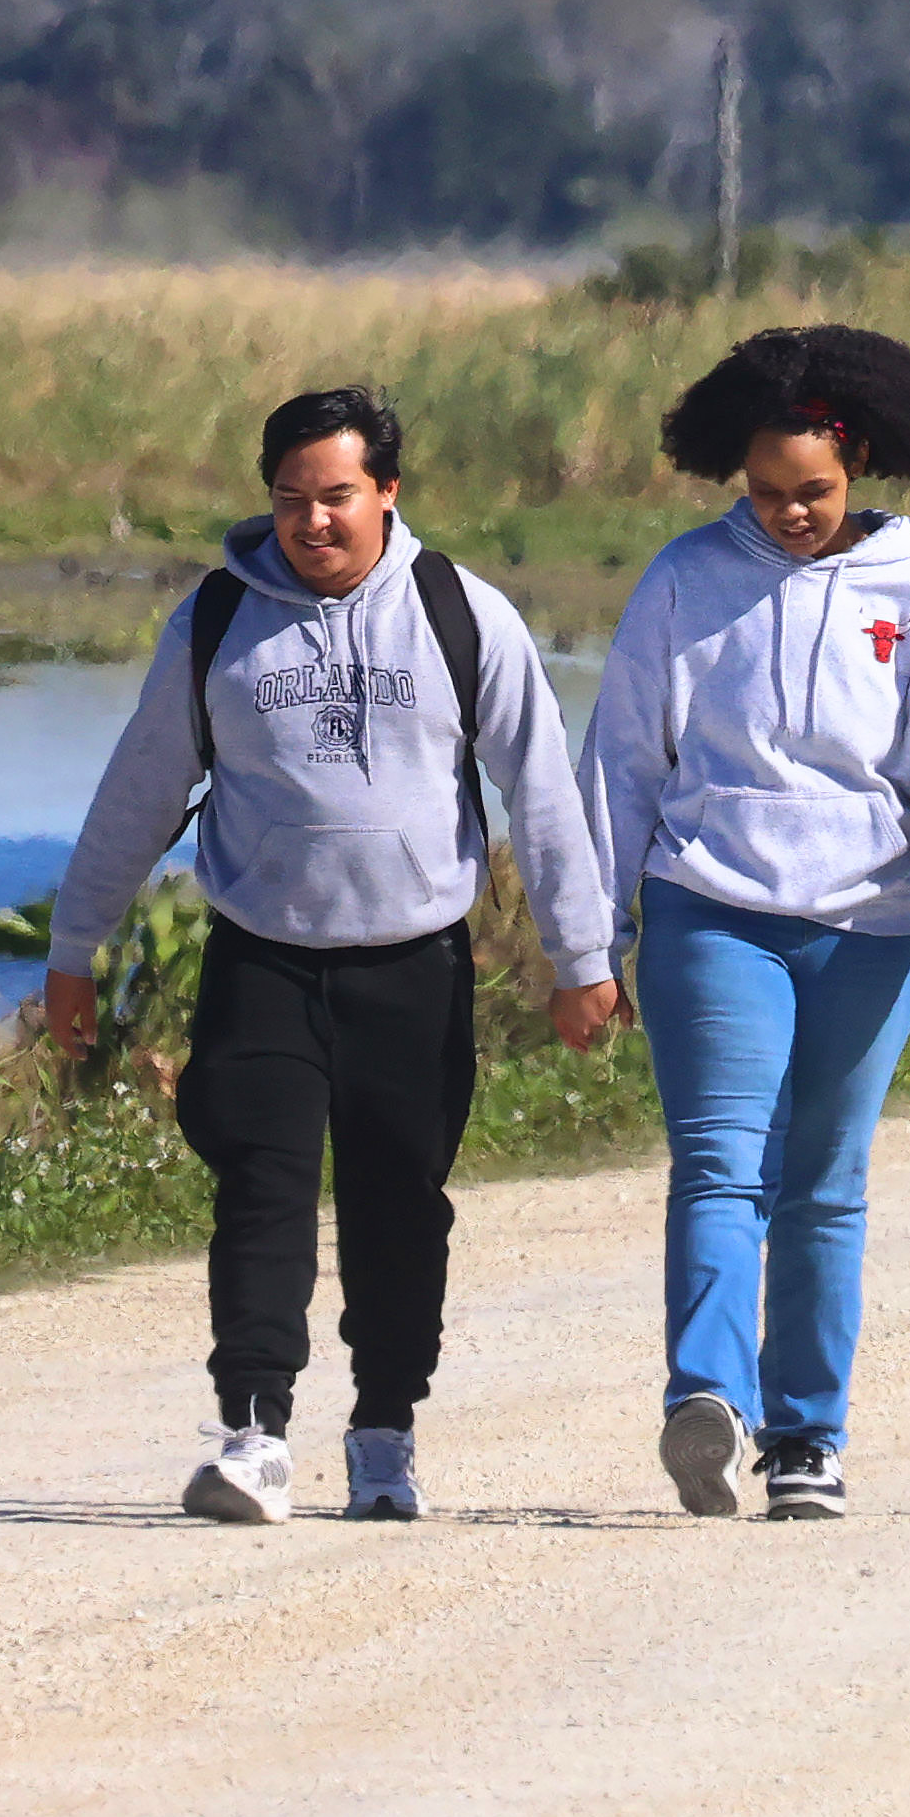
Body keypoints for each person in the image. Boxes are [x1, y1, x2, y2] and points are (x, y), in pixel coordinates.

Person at [44, 385, 622, 1524]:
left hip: (414, 965)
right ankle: (252, 1433)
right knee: (259, 1188)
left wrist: (582, 954)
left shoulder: (461, 611)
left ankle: (383, 1433)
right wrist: (75, 943)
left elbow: (541, 793)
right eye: (292, 499)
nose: (313, 523)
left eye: (338, 498)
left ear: (388, 493)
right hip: (263, 957)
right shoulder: (217, 620)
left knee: (398, 1205)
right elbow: (140, 791)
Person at [584, 325, 910, 1522]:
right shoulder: (681, 581)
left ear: (861, 461)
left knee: (825, 1182)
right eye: (766, 492)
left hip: (871, 930)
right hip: (709, 910)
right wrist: (589, 938)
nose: (788, 514)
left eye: (813, 492)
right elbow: (620, 763)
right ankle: (707, 1401)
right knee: (720, 1164)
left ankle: (807, 1438)